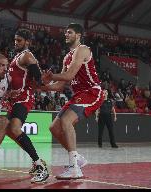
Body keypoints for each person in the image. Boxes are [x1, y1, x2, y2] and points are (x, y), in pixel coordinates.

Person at [0, 28, 49, 183]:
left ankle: (40, 166)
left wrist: (40, 79)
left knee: (14, 129)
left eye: (19, 40)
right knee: (10, 131)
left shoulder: (26, 55)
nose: (16, 42)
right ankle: (37, 162)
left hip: (24, 98)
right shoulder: (16, 57)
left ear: (27, 42)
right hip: (13, 100)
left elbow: (37, 73)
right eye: (15, 40)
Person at [41, 23, 104, 179]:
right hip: (78, 95)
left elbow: (68, 76)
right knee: (54, 128)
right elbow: (59, 86)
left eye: (69, 32)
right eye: (65, 32)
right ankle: (78, 159)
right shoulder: (66, 57)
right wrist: (40, 86)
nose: (66, 35)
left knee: (66, 121)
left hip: (91, 92)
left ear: (78, 35)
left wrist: (51, 76)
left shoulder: (83, 49)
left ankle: (74, 167)